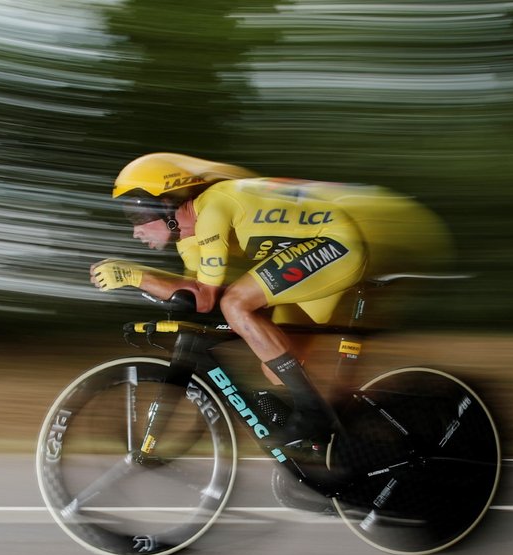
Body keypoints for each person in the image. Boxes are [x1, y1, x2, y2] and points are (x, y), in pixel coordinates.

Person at [90, 152, 452, 458]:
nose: (135, 230)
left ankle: (313, 415)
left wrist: (136, 277)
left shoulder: (214, 206)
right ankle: (330, 450)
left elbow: (209, 296)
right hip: (311, 259)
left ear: (166, 202)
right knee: (276, 368)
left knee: (237, 302)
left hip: (336, 244)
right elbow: (196, 299)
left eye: (136, 216)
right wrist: (143, 283)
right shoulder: (190, 241)